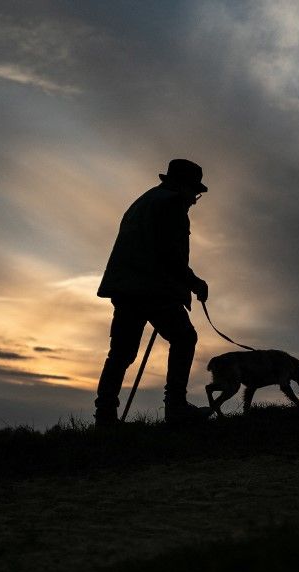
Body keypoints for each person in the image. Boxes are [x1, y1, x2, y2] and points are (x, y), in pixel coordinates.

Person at [94, 159, 213, 426]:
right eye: (194, 192)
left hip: (126, 288)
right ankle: (176, 406)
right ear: (182, 186)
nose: (194, 200)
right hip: (152, 288)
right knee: (184, 337)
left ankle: (105, 416)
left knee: (121, 353)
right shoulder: (172, 204)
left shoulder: (144, 201)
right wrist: (194, 283)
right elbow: (170, 254)